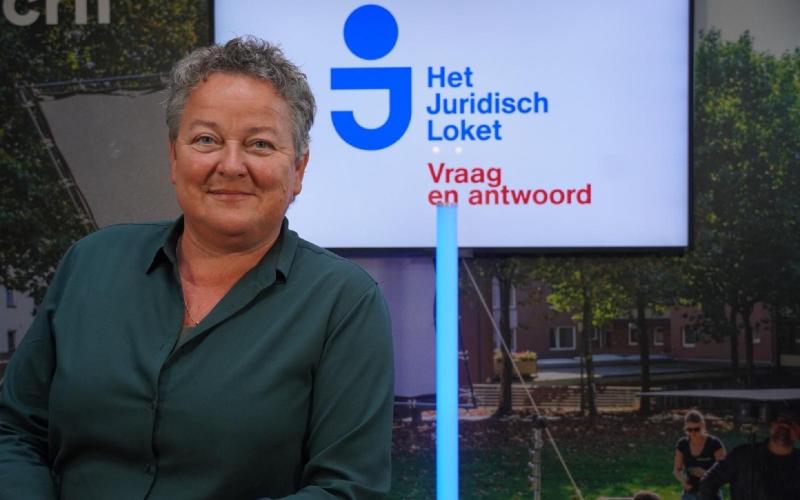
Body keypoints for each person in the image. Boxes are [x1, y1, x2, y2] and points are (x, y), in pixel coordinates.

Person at [0, 37, 394, 500]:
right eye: (207, 140)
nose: (231, 165)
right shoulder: (92, 262)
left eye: (260, 144)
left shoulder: (343, 303)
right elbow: (14, 431)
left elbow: (347, 489)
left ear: (299, 169)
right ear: (174, 156)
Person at [698, 405, 800, 500]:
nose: (785, 424)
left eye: (792, 422)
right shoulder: (742, 456)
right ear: (771, 424)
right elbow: (708, 483)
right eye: (781, 419)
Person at [673, 410, 726, 500]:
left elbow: (724, 471)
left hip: (711, 493)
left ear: (703, 426)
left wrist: (706, 473)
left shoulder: (714, 443)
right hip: (690, 493)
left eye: (696, 429)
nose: (693, 433)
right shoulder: (682, 444)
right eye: (689, 430)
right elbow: (677, 470)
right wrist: (683, 481)